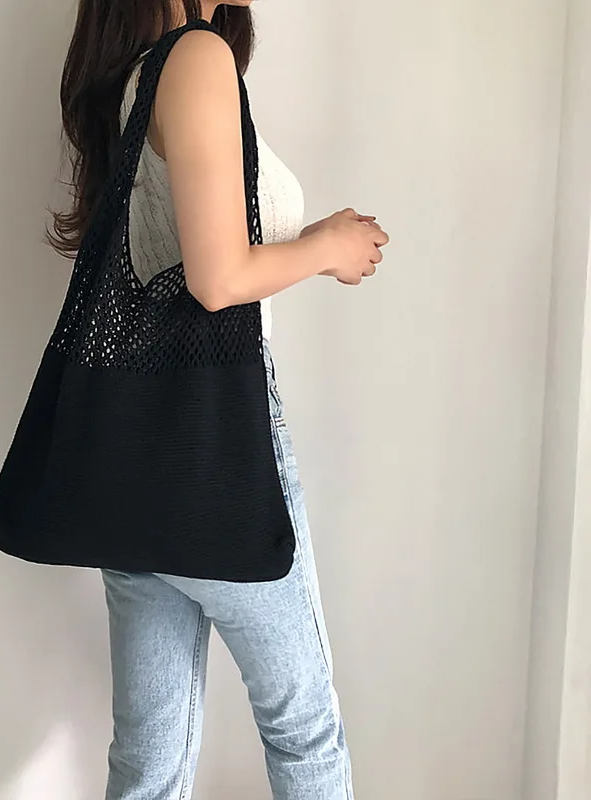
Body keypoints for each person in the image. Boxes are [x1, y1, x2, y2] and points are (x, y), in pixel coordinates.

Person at [50, 2, 389, 798]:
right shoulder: (196, 58)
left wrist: (304, 242)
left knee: (151, 757)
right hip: (219, 452)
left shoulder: (138, 77)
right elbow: (218, 278)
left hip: (132, 459)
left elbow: (191, 259)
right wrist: (327, 249)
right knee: (304, 729)